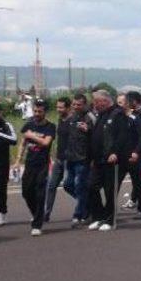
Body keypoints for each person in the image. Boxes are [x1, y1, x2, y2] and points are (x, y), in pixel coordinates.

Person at [87, 90, 129, 232]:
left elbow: (123, 136)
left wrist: (115, 152)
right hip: (99, 159)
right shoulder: (101, 115)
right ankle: (99, 216)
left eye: (96, 101)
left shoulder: (118, 114)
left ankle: (110, 220)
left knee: (109, 190)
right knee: (91, 186)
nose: (94, 104)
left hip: (112, 159)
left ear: (104, 101)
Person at [13, 99, 56, 236]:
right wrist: (18, 161)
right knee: (26, 192)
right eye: (35, 111)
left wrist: (32, 135)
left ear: (45, 112)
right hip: (30, 164)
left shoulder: (50, 127)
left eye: (40, 111)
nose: (37, 114)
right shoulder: (29, 124)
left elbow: (45, 142)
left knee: (40, 193)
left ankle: (37, 224)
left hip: (43, 164)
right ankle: (37, 213)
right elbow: (23, 143)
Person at [64, 93, 95, 227]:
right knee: (67, 185)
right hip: (70, 157)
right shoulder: (71, 117)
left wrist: (88, 130)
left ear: (84, 105)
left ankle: (78, 215)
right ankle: (87, 205)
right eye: (74, 104)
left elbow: (97, 135)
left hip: (83, 158)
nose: (76, 107)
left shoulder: (89, 117)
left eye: (79, 104)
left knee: (80, 186)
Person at [116, 93, 141, 219]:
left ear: (128, 103)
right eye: (117, 102)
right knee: (115, 183)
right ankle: (111, 209)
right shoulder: (117, 117)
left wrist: (136, 151)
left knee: (137, 183)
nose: (119, 105)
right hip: (120, 157)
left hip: (133, 156)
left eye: (121, 103)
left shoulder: (135, 118)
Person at [44, 97, 72, 223]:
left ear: (68, 107)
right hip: (59, 159)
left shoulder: (73, 121)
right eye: (57, 107)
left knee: (68, 185)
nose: (58, 109)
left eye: (61, 107)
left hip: (69, 159)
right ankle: (46, 213)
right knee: (51, 186)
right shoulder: (60, 120)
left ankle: (86, 205)